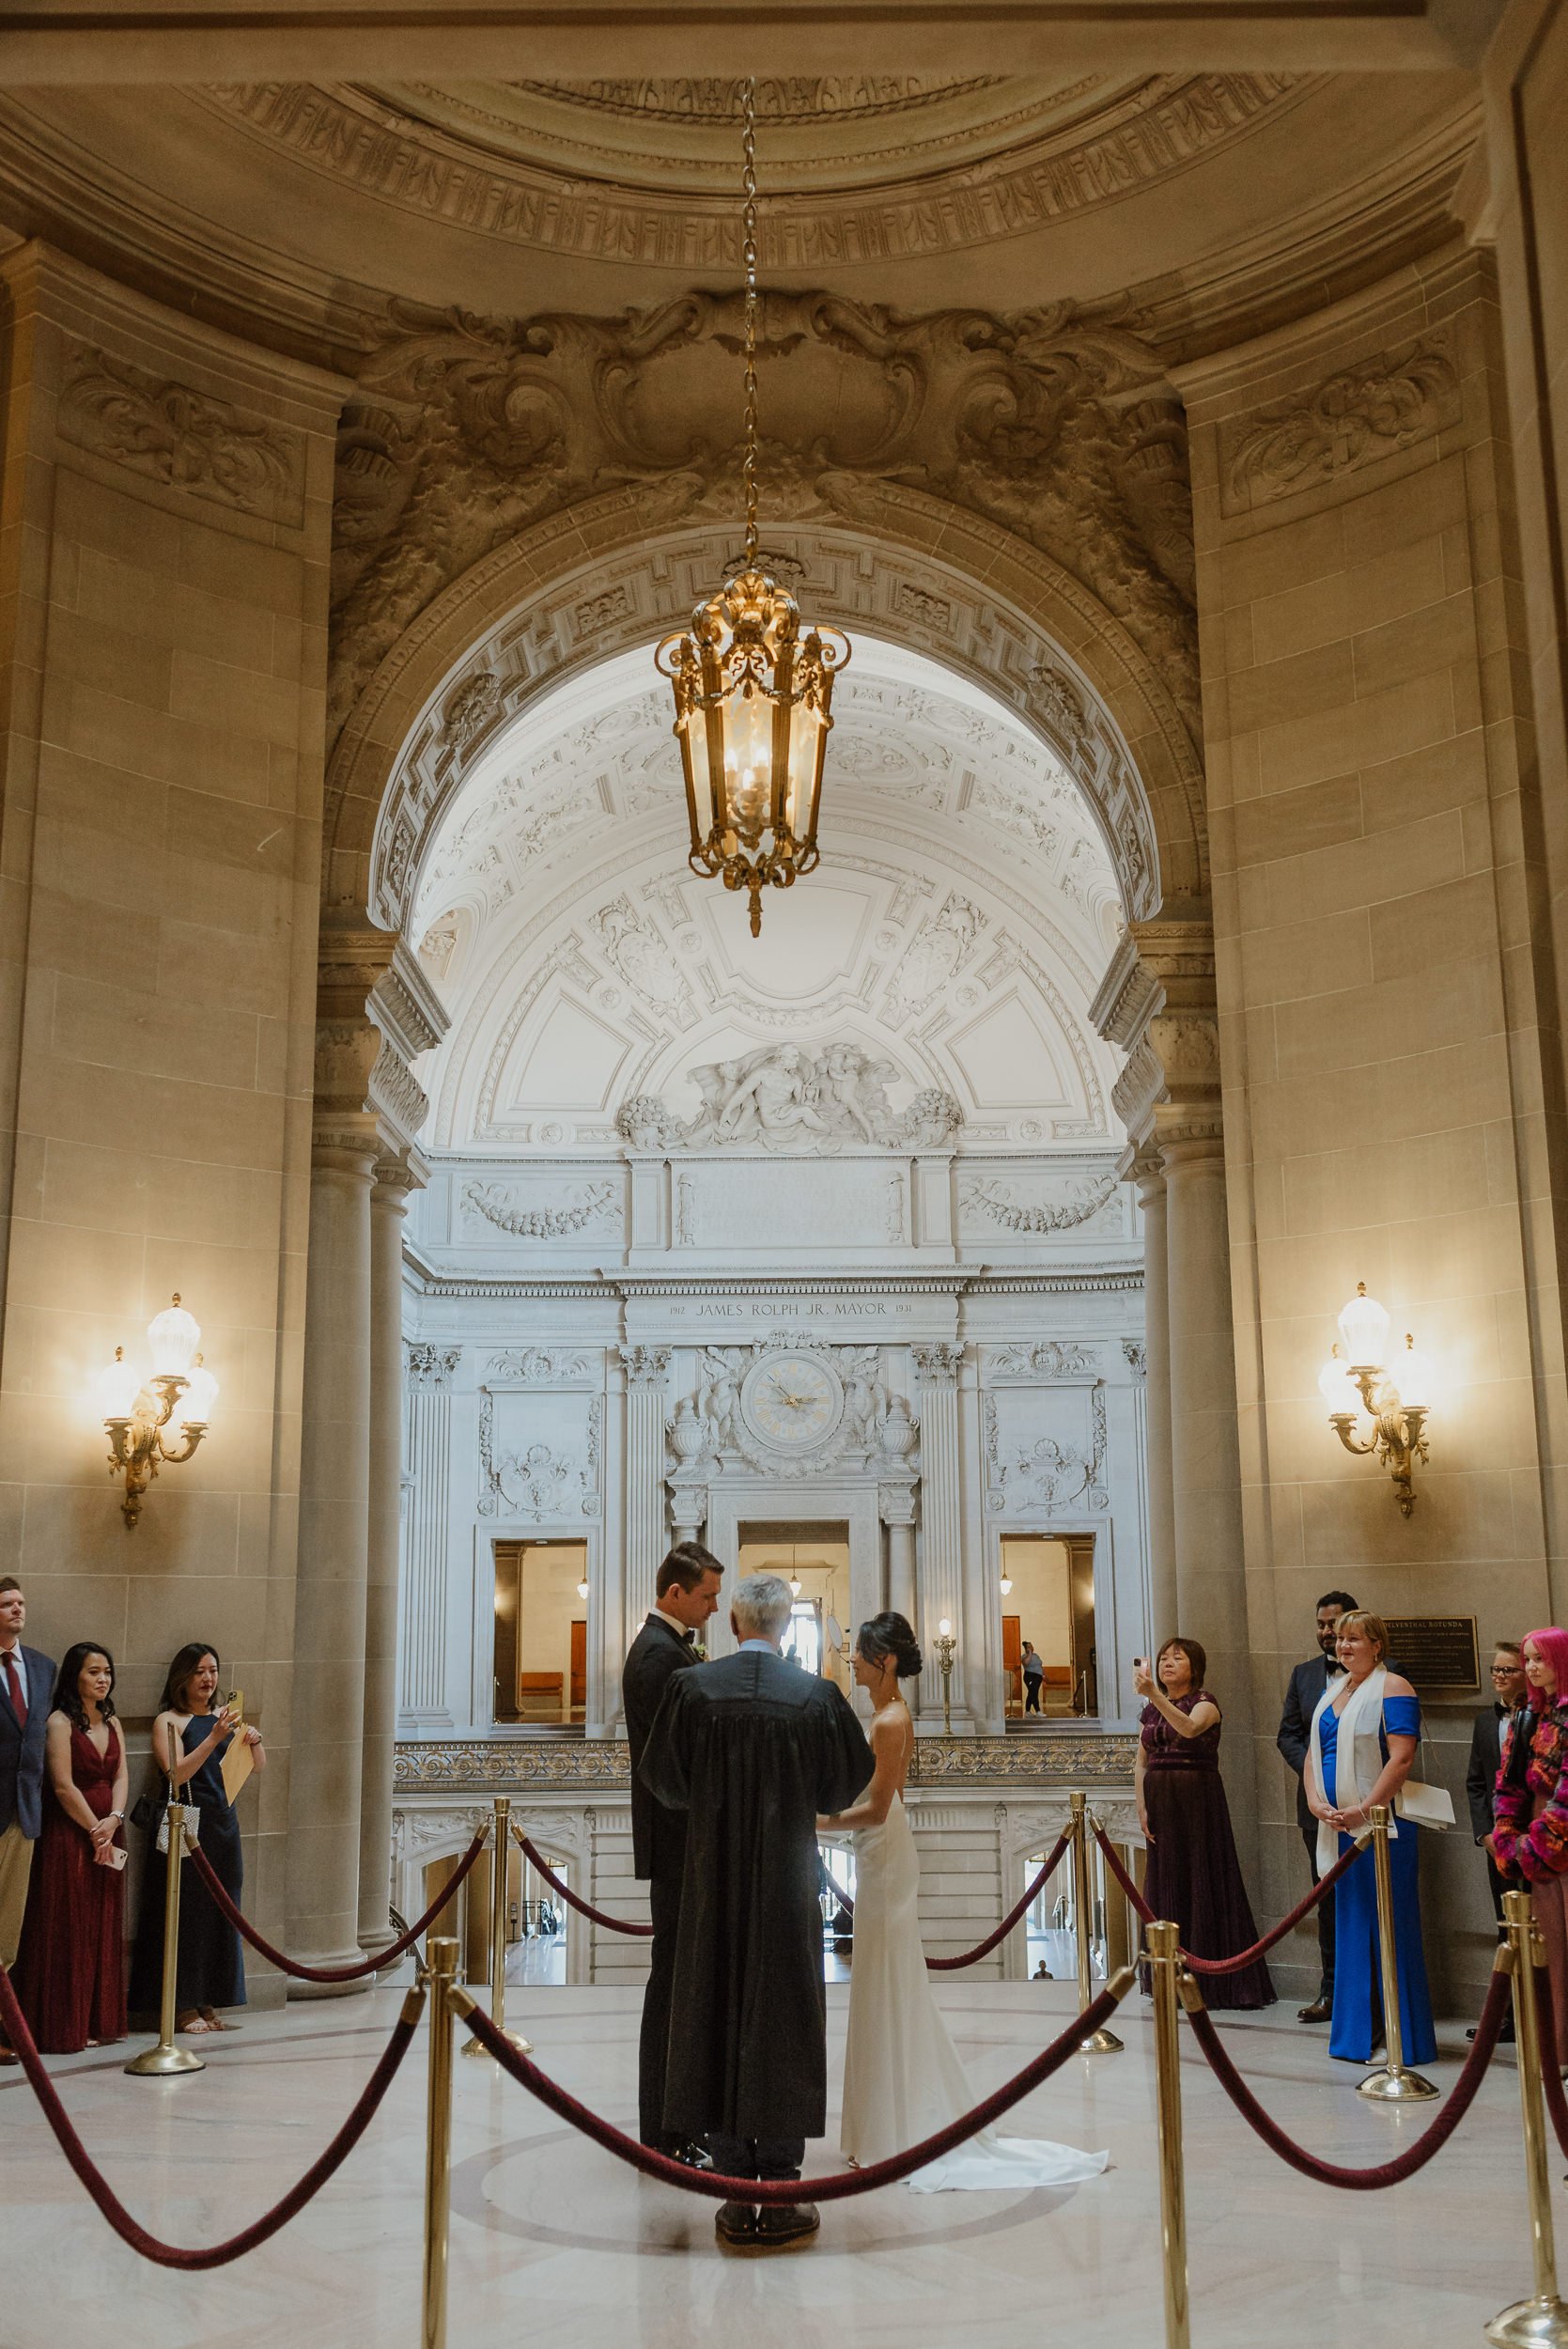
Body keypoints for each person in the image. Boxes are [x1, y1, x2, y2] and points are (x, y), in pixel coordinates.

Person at [825, 1611, 1107, 2191]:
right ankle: (883, 2124)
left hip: (882, 1848)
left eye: (861, 1652)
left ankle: (893, 2126)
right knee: (881, 1979)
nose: (851, 1658)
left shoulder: (889, 1721)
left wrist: (816, 1823)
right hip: (882, 1849)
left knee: (885, 1979)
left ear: (888, 1661)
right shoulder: (884, 1715)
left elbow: (878, 1807)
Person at [639, 1572, 874, 2251]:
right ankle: (781, 2179)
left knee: (711, 2000)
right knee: (782, 2010)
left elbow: (664, 1781)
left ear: (734, 1624)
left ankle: (734, 2191)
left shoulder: (692, 1690)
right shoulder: (815, 1696)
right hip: (785, 1882)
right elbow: (842, 1782)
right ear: (780, 1626)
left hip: (710, 1879)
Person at [620, 1539, 723, 2159]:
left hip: (684, 1843)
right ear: (675, 1592)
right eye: (706, 1596)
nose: (713, 1606)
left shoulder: (669, 1649)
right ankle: (668, 2133)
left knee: (684, 1986)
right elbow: (670, 1766)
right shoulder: (657, 1659)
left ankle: (681, 2124)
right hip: (679, 1843)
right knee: (675, 1990)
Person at [1305, 1609, 1436, 2067]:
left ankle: (1396, 2036)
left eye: (1355, 1639)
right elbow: (1312, 1752)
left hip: (1384, 1830)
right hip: (1340, 1828)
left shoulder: (1394, 1687)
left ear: (1378, 1646)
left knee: (1388, 1929)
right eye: (1340, 1640)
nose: (1344, 1647)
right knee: (1354, 1928)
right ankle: (1360, 2034)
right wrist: (1315, 1802)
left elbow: (1400, 1759)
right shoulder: (1334, 1690)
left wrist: (1366, 1809)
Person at [129, 1642, 264, 2034]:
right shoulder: (169, 1721)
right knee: (184, 1915)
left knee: (220, 1914)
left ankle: (208, 1999)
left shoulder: (227, 1718)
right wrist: (212, 1737)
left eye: (214, 1670)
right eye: (200, 1671)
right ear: (183, 1678)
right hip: (185, 1823)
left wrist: (253, 1740)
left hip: (223, 1824)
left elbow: (258, 1769)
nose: (209, 1679)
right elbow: (176, 1776)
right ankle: (180, 2004)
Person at [1134, 1639, 1274, 2010]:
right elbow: (1141, 1762)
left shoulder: (1205, 1702)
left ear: (1194, 1667)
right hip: (1161, 1804)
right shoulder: (1149, 1712)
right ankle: (1169, 1978)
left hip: (1197, 1803)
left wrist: (1154, 1695)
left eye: (1176, 1658)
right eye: (1163, 1658)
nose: (1167, 1663)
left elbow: (1190, 1729)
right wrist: (1141, 1807)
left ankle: (1212, 1982)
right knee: (1167, 1881)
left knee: (1202, 1878)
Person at [12, 1643, 130, 2053]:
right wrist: (95, 1828)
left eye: (107, 1671)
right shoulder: (59, 1722)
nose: (102, 1679)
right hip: (70, 1832)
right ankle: (66, 2023)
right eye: (93, 1671)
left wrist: (115, 1820)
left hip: (109, 1829)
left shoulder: (112, 1720)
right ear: (74, 1677)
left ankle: (99, 2017)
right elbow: (62, 1785)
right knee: (69, 1924)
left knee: (102, 1922)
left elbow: (121, 1777)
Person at [1276, 1588, 1358, 2023]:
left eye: (1336, 1624)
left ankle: (1375, 1993)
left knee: (1368, 1898)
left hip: (1367, 1808)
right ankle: (1331, 1992)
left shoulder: (1388, 1674)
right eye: (1322, 1625)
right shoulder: (1304, 1675)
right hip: (1316, 1807)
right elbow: (1287, 1735)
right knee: (1327, 1901)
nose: (1328, 1633)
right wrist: (1315, 1777)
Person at [1492, 1626, 1568, 2066]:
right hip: (1538, 1842)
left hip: (1557, 1838)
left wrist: (1542, 1844)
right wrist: (1509, 1836)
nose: (1533, 1667)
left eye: (1541, 1658)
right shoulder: (1526, 1716)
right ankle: (1556, 2049)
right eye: (1529, 1659)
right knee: (1549, 1949)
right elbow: (1509, 1782)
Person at [0, 1577, 54, 2061]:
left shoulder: (41, 1666)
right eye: (7, 1604)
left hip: (23, 1809)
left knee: (8, 1926)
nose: (17, 1610)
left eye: (21, 1603)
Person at [1021, 1641, 1045, 1715]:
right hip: (1030, 1676)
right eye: (1029, 1647)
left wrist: (1043, 1674)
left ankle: (1028, 1711)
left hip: (1038, 1676)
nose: (1031, 1647)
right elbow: (1026, 1663)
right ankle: (1038, 1711)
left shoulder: (1036, 1655)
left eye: (1031, 1646)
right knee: (1033, 1693)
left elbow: (1040, 1665)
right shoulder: (1024, 1656)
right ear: (1026, 1649)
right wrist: (1030, 1653)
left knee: (1032, 1693)